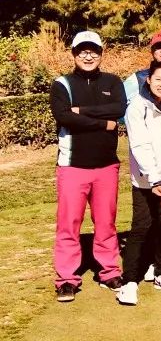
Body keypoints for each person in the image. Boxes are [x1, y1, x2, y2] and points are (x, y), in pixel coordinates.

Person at [49, 31, 127, 303]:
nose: (88, 55)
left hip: (107, 166)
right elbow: (64, 117)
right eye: (82, 51)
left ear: (101, 53)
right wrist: (103, 123)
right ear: (74, 54)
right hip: (73, 166)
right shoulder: (62, 84)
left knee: (106, 223)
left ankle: (109, 271)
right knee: (68, 224)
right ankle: (66, 279)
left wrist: (81, 110)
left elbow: (119, 109)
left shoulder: (113, 81)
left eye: (93, 50)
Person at [117, 61, 161, 305]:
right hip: (146, 181)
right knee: (142, 227)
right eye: (158, 79)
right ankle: (129, 281)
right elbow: (140, 145)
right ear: (148, 79)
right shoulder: (137, 107)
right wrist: (154, 177)